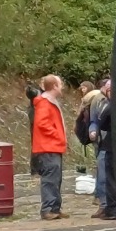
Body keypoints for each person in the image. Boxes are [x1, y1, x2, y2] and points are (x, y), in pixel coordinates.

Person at [32, 74, 69, 219]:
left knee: (56, 178)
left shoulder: (47, 101)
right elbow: (42, 123)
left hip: (52, 146)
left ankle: (54, 208)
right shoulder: (44, 102)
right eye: (60, 84)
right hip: (47, 146)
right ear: (54, 86)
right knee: (50, 178)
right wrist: (58, 135)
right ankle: (48, 209)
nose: (62, 87)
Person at [89, 80, 116, 220]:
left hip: (110, 144)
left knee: (109, 178)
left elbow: (101, 122)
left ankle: (111, 209)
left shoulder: (110, 106)